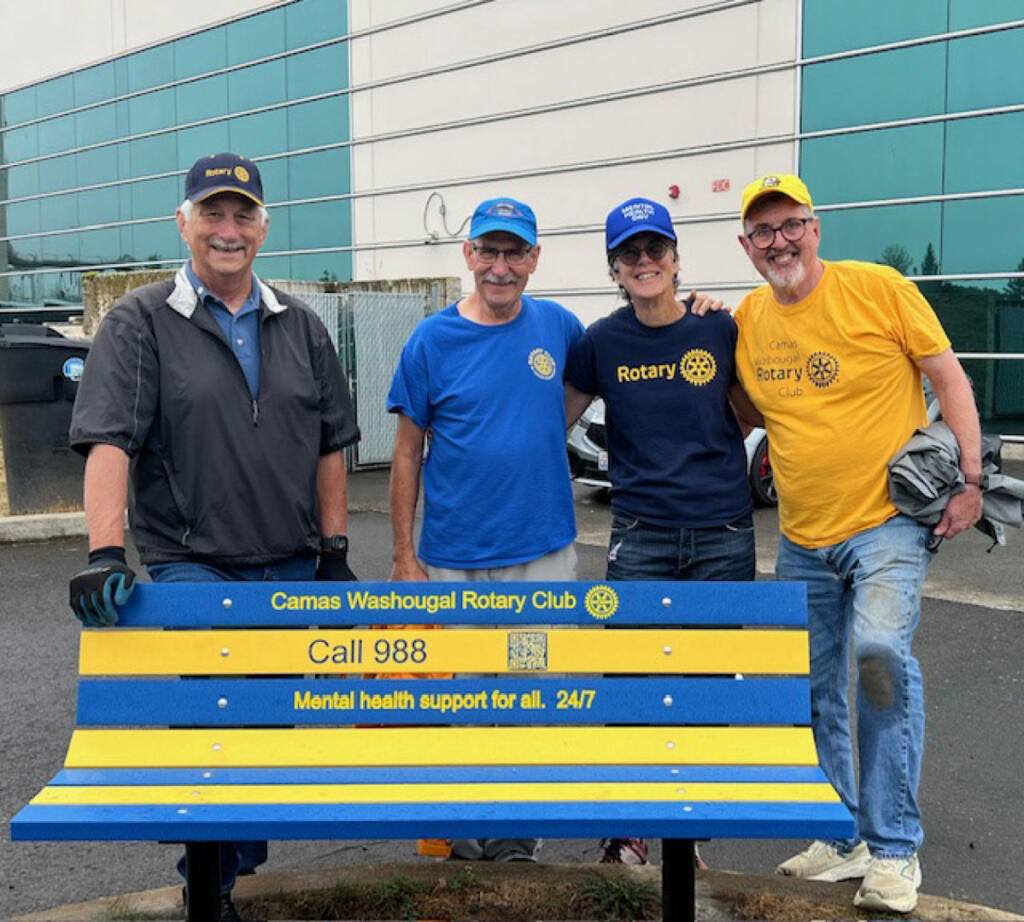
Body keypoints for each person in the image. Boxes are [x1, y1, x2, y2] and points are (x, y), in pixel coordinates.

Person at [68, 152, 360, 922]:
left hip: (292, 563)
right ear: (184, 223)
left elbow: (331, 442)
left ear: (263, 227)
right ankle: (211, 890)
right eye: (212, 214)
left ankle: (228, 866)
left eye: (241, 215)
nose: (226, 231)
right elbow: (108, 440)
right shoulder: (141, 322)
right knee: (216, 726)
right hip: (194, 566)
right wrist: (105, 551)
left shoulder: (300, 325)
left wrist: (334, 551)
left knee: (269, 735)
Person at [732, 173, 982, 914]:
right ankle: (843, 840)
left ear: (816, 229)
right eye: (764, 232)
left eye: (791, 225)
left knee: (878, 658)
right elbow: (741, 402)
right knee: (812, 692)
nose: (779, 241)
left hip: (886, 527)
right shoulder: (747, 317)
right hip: (802, 535)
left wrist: (971, 479)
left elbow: (949, 377)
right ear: (746, 248)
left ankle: (894, 849)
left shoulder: (877, 289)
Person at [387, 196, 585, 862]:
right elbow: (407, 452)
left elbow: (628, 357)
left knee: (533, 694)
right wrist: (403, 556)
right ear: (469, 255)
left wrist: (694, 312)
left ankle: (516, 838)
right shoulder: (430, 341)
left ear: (535, 258)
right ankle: (462, 826)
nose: (501, 267)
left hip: (541, 557)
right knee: (462, 696)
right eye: (489, 252)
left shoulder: (559, 327)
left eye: (515, 253)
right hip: (453, 560)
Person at [563, 197, 755, 866]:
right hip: (641, 532)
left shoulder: (718, 331)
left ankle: (686, 833)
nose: (644, 262)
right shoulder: (601, 341)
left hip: (723, 532)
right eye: (629, 254)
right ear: (614, 268)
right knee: (632, 684)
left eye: (654, 250)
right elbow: (547, 424)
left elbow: (758, 410)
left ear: (675, 259)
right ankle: (628, 829)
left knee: (705, 688)